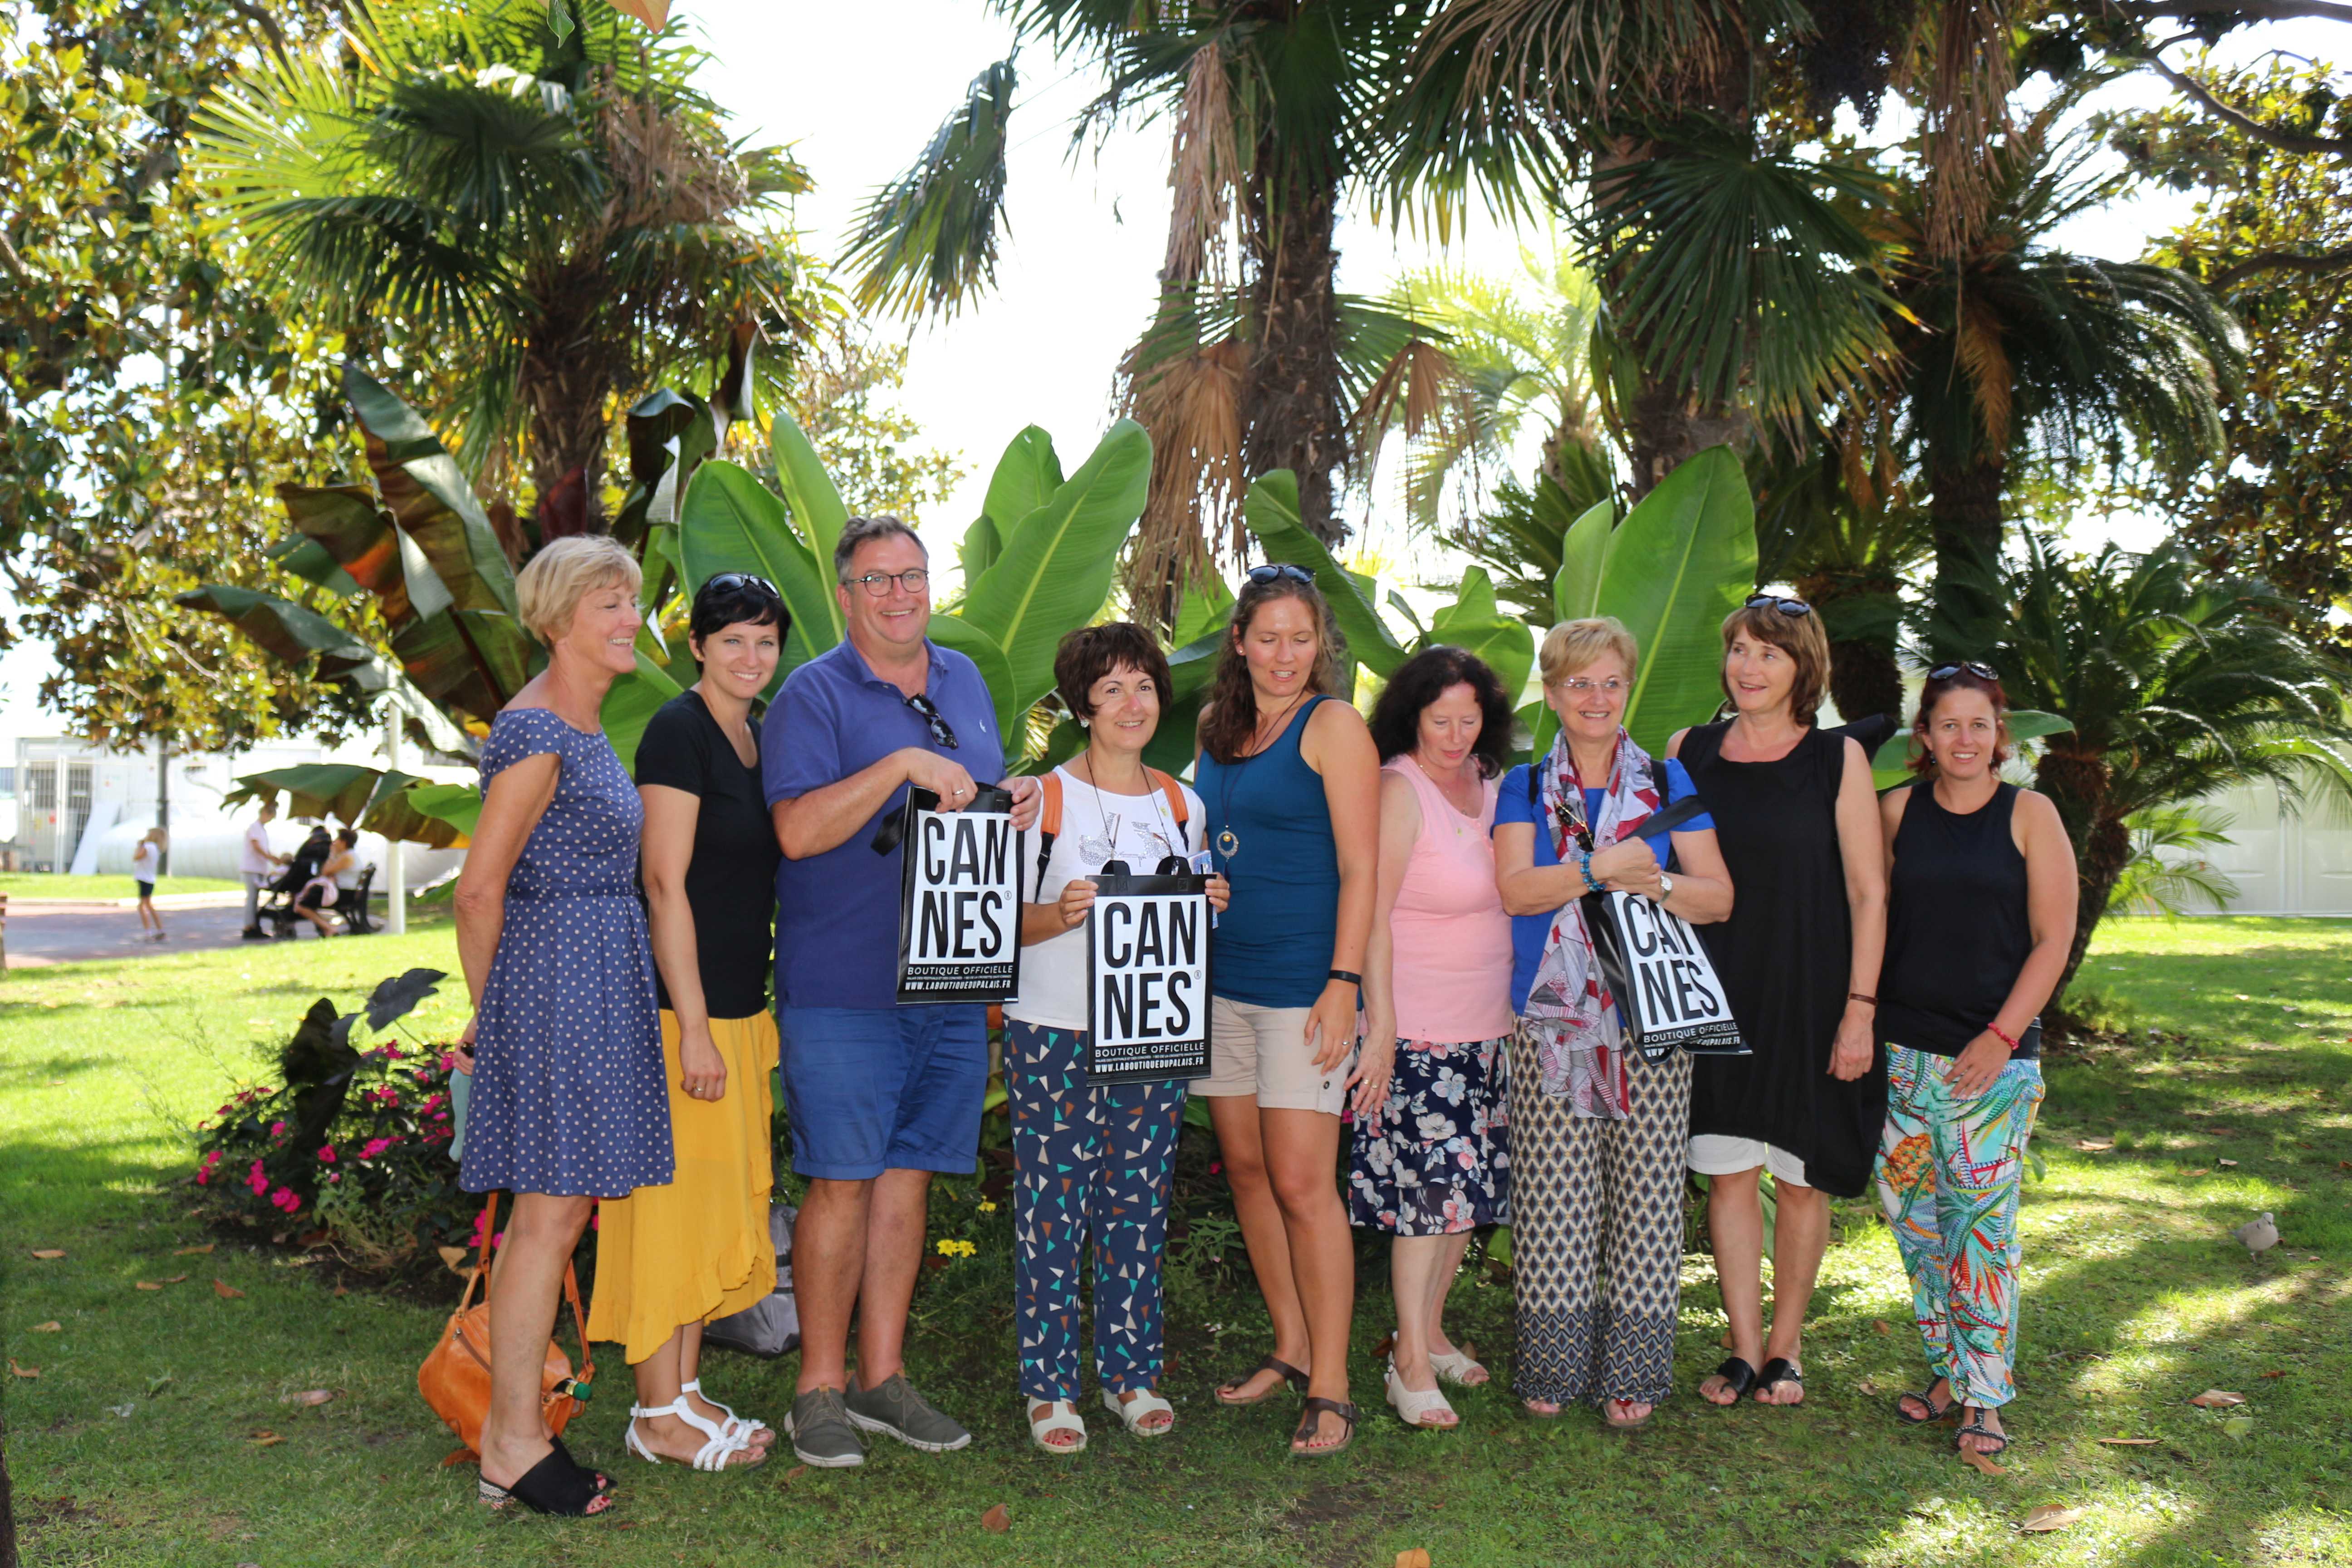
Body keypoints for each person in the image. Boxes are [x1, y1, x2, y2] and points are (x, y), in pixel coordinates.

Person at [761, 515, 1042, 1470]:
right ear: (845, 594)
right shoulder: (812, 693)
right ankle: (818, 1388)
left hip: (951, 983)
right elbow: (795, 832)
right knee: (840, 1181)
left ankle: (882, 1376)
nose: (898, 595)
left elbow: (969, 804)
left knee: (908, 1176)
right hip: (844, 985)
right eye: (876, 580)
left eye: (912, 576)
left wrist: (1015, 802)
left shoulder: (963, 680)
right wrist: (897, 767)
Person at [453, 535, 673, 1516]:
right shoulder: (538, 730)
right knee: (548, 1220)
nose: (631, 618)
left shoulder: (578, 721)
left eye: (631, 600)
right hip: (555, 990)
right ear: (556, 619)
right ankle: (510, 1441)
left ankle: (514, 1430)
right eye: (608, 604)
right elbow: (477, 890)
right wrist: (496, 1018)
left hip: (586, 982)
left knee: (559, 1216)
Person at [1494, 618, 1735, 1428]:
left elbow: (1717, 897)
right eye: (1577, 683)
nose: (1595, 698)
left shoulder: (1665, 781)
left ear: (1627, 687)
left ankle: (1632, 1368)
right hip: (1553, 1015)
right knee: (1552, 1192)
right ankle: (1553, 1364)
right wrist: (1599, 868)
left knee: (1647, 1192)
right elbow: (1516, 890)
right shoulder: (1524, 785)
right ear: (1552, 693)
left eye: (1609, 682)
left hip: (1650, 1013)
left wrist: (1654, 883)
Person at [1004, 623, 1228, 1454]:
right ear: (1081, 707)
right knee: (1052, 1207)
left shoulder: (1183, 804)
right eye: (1110, 689)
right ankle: (1050, 1385)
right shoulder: (1041, 800)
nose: (1131, 704)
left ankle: (1131, 1373)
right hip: (1054, 1026)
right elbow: (996, 926)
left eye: (1142, 686)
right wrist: (1056, 914)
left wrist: (1210, 903)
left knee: (1138, 1206)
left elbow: (1185, 928)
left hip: (1151, 1030)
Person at [592, 572, 792, 1473]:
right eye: (733, 639)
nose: (751, 656)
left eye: (765, 640)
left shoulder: (755, 735)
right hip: (682, 1014)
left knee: (709, 1204)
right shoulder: (680, 731)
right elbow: (663, 883)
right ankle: (653, 1415)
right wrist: (698, 1028)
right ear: (699, 646)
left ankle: (680, 1393)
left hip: (737, 1009)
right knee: (669, 1211)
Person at [1671, 594, 1888, 1410]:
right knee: (1728, 1174)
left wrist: (1859, 1008)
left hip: (1811, 993)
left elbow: (1869, 893)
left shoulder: (1837, 759)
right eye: (1739, 649)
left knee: (1801, 1179)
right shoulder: (1687, 750)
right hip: (1716, 994)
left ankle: (1785, 1349)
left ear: (1803, 667)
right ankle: (1740, 1346)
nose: (1748, 666)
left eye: (1769, 653)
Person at [1196, 563, 1382, 1458]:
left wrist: (1344, 983)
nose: (1283, 654)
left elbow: (1361, 867)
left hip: (1302, 988)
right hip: (1218, 981)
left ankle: (1333, 1385)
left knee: (1305, 1184)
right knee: (1245, 1169)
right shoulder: (1215, 726)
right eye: (1266, 637)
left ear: (1320, 645)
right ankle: (1291, 1343)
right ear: (1238, 641)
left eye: (1299, 638)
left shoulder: (1333, 725)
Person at [1874, 662, 2076, 1460]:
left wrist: (1999, 1035)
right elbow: (1865, 914)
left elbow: (2052, 939)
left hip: (1990, 1060)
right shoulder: (1896, 812)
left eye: (1979, 725)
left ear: (1999, 737)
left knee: (1980, 1231)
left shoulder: (2030, 814)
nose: (1963, 738)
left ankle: (1984, 1398)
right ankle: (1949, 1369)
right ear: (1924, 735)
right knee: (1917, 1224)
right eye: (1948, 724)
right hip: (1900, 1052)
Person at [1350, 646, 1517, 1430]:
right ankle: (1407, 1363)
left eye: (1468, 719)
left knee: (1467, 1197)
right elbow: (1370, 916)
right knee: (1426, 1202)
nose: (1454, 736)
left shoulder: (1493, 784)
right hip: (1418, 1033)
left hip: (1488, 1028)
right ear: (1410, 717)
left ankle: (1433, 1330)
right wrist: (1380, 1029)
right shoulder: (1398, 788)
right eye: (1439, 719)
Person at [293, 828, 360, 938]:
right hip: (345, 892)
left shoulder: (347, 857)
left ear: (344, 842)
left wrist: (332, 854)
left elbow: (325, 872)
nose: (334, 842)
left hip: (343, 894)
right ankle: (326, 927)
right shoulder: (349, 855)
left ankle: (329, 928)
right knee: (309, 898)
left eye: (337, 839)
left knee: (302, 906)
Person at [239, 801, 286, 941]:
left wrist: (273, 858)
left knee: (255, 899)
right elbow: (257, 847)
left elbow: (264, 849)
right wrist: (270, 858)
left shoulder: (262, 830)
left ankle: (254, 925)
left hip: (259, 868)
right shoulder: (254, 828)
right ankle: (249, 927)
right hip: (251, 868)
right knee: (252, 898)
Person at [131, 826, 166, 941]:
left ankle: (149, 932)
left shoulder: (147, 846)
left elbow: (137, 857)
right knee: (147, 905)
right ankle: (159, 929)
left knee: (143, 906)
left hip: (144, 878)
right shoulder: (156, 848)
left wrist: (139, 847)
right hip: (150, 879)